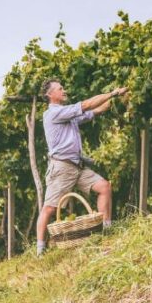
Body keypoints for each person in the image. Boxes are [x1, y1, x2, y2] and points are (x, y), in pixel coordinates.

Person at [36, 79, 127, 256]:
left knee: (104, 187)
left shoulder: (67, 115)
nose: (64, 90)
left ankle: (106, 231)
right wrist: (112, 93)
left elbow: (96, 110)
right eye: (60, 88)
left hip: (77, 166)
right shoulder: (53, 114)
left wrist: (117, 98)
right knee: (50, 208)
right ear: (50, 95)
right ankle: (40, 249)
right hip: (62, 168)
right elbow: (85, 105)